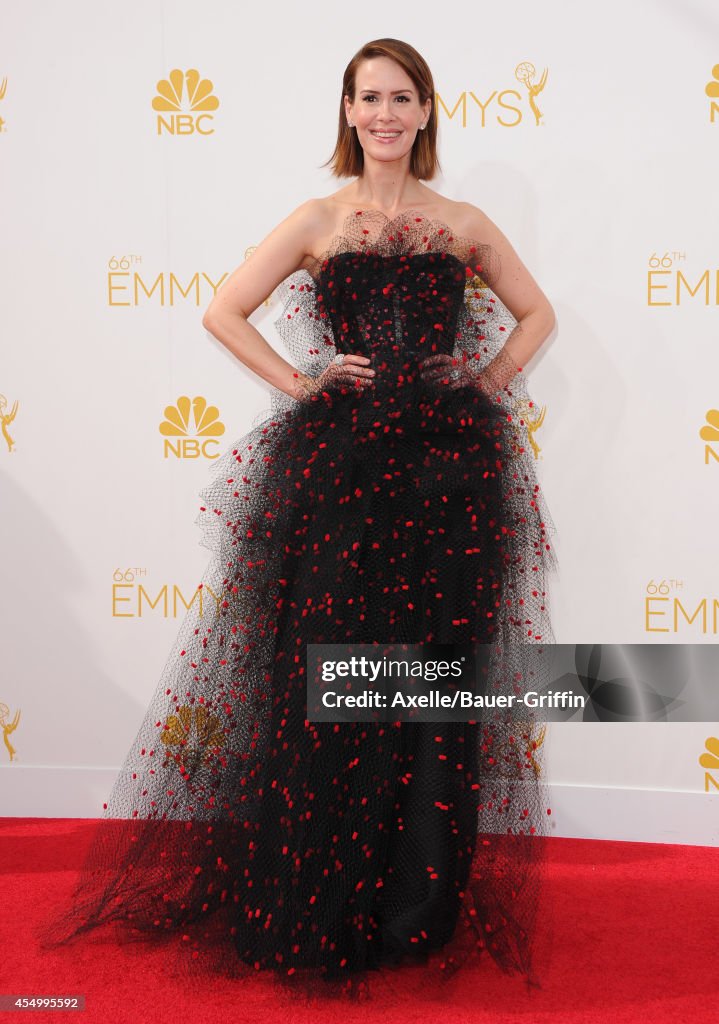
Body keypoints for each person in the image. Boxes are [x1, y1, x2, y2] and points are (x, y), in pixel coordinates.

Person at [36, 37, 557, 1001]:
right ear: (348, 112)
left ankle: (414, 907)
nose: (386, 115)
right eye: (369, 99)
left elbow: (535, 315)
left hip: (446, 481)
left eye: (403, 97)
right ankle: (324, 897)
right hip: (342, 478)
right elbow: (225, 310)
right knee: (330, 680)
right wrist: (303, 380)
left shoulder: (461, 223)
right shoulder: (319, 218)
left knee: (432, 685)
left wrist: (482, 381)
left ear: (427, 110)